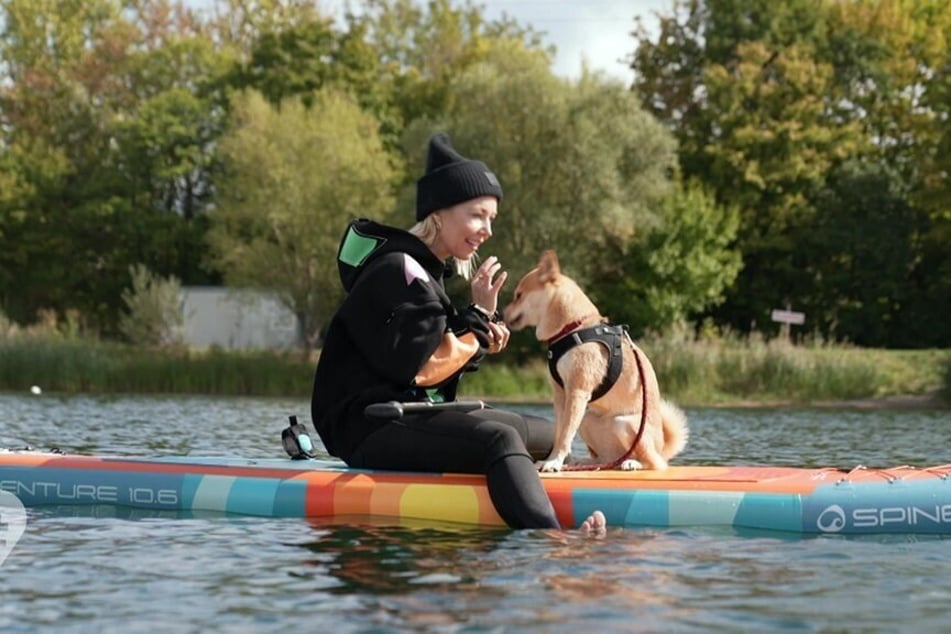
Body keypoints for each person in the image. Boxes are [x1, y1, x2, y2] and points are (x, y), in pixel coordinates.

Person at [310, 132, 605, 533]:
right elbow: (424, 368)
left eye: (491, 219)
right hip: (369, 427)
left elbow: (437, 355)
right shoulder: (397, 270)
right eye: (477, 215)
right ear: (438, 212)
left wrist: (479, 321)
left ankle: (566, 491)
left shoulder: (425, 274)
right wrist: (477, 332)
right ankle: (552, 537)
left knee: (557, 434)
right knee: (500, 439)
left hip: (411, 415)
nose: (487, 229)